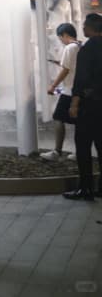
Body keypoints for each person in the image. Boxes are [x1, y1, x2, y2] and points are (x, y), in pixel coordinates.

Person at [63, 12, 102, 201]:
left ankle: (85, 188)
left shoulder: (88, 48)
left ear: (92, 28)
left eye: (85, 25)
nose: (83, 28)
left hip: (89, 106)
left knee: (83, 147)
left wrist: (75, 103)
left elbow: (81, 79)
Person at [40, 22, 81, 162]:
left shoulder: (69, 48)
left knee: (58, 117)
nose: (60, 41)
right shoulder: (80, 46)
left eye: (60, 38)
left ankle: (57, 152)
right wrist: (59, 62)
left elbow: (66, 70)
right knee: (79, 122)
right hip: (80, 91)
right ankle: (79, 152)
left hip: (70, 91)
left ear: (64, 35)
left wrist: (53, 86)